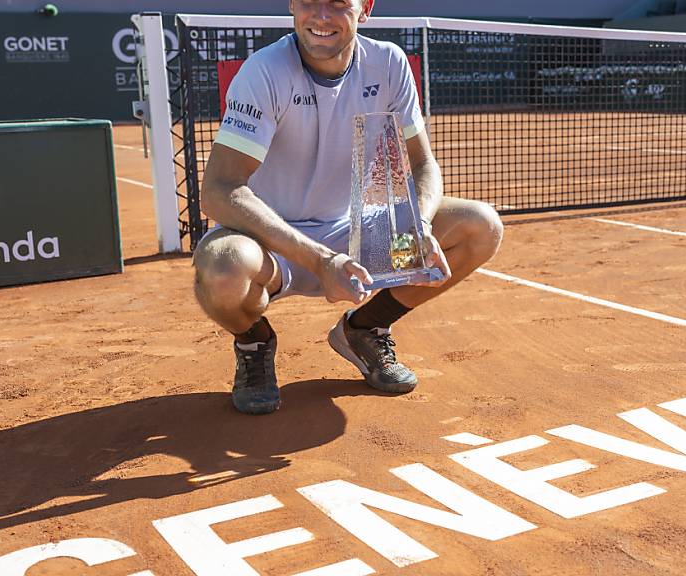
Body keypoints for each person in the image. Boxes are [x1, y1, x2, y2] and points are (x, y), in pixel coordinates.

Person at [194, 0, 504, 414]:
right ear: (291, 4)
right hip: (269, 243)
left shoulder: (389, 64)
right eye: (309, 1)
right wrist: (320, 260)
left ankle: (364, 328)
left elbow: (422, 163)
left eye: (338, 4)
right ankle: (253, 341)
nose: (321, 16)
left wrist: (420, 224)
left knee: (479, 226)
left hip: (357, 237)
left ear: (365, 8)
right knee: (221, 269)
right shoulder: (263, 72)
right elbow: (218, 189)